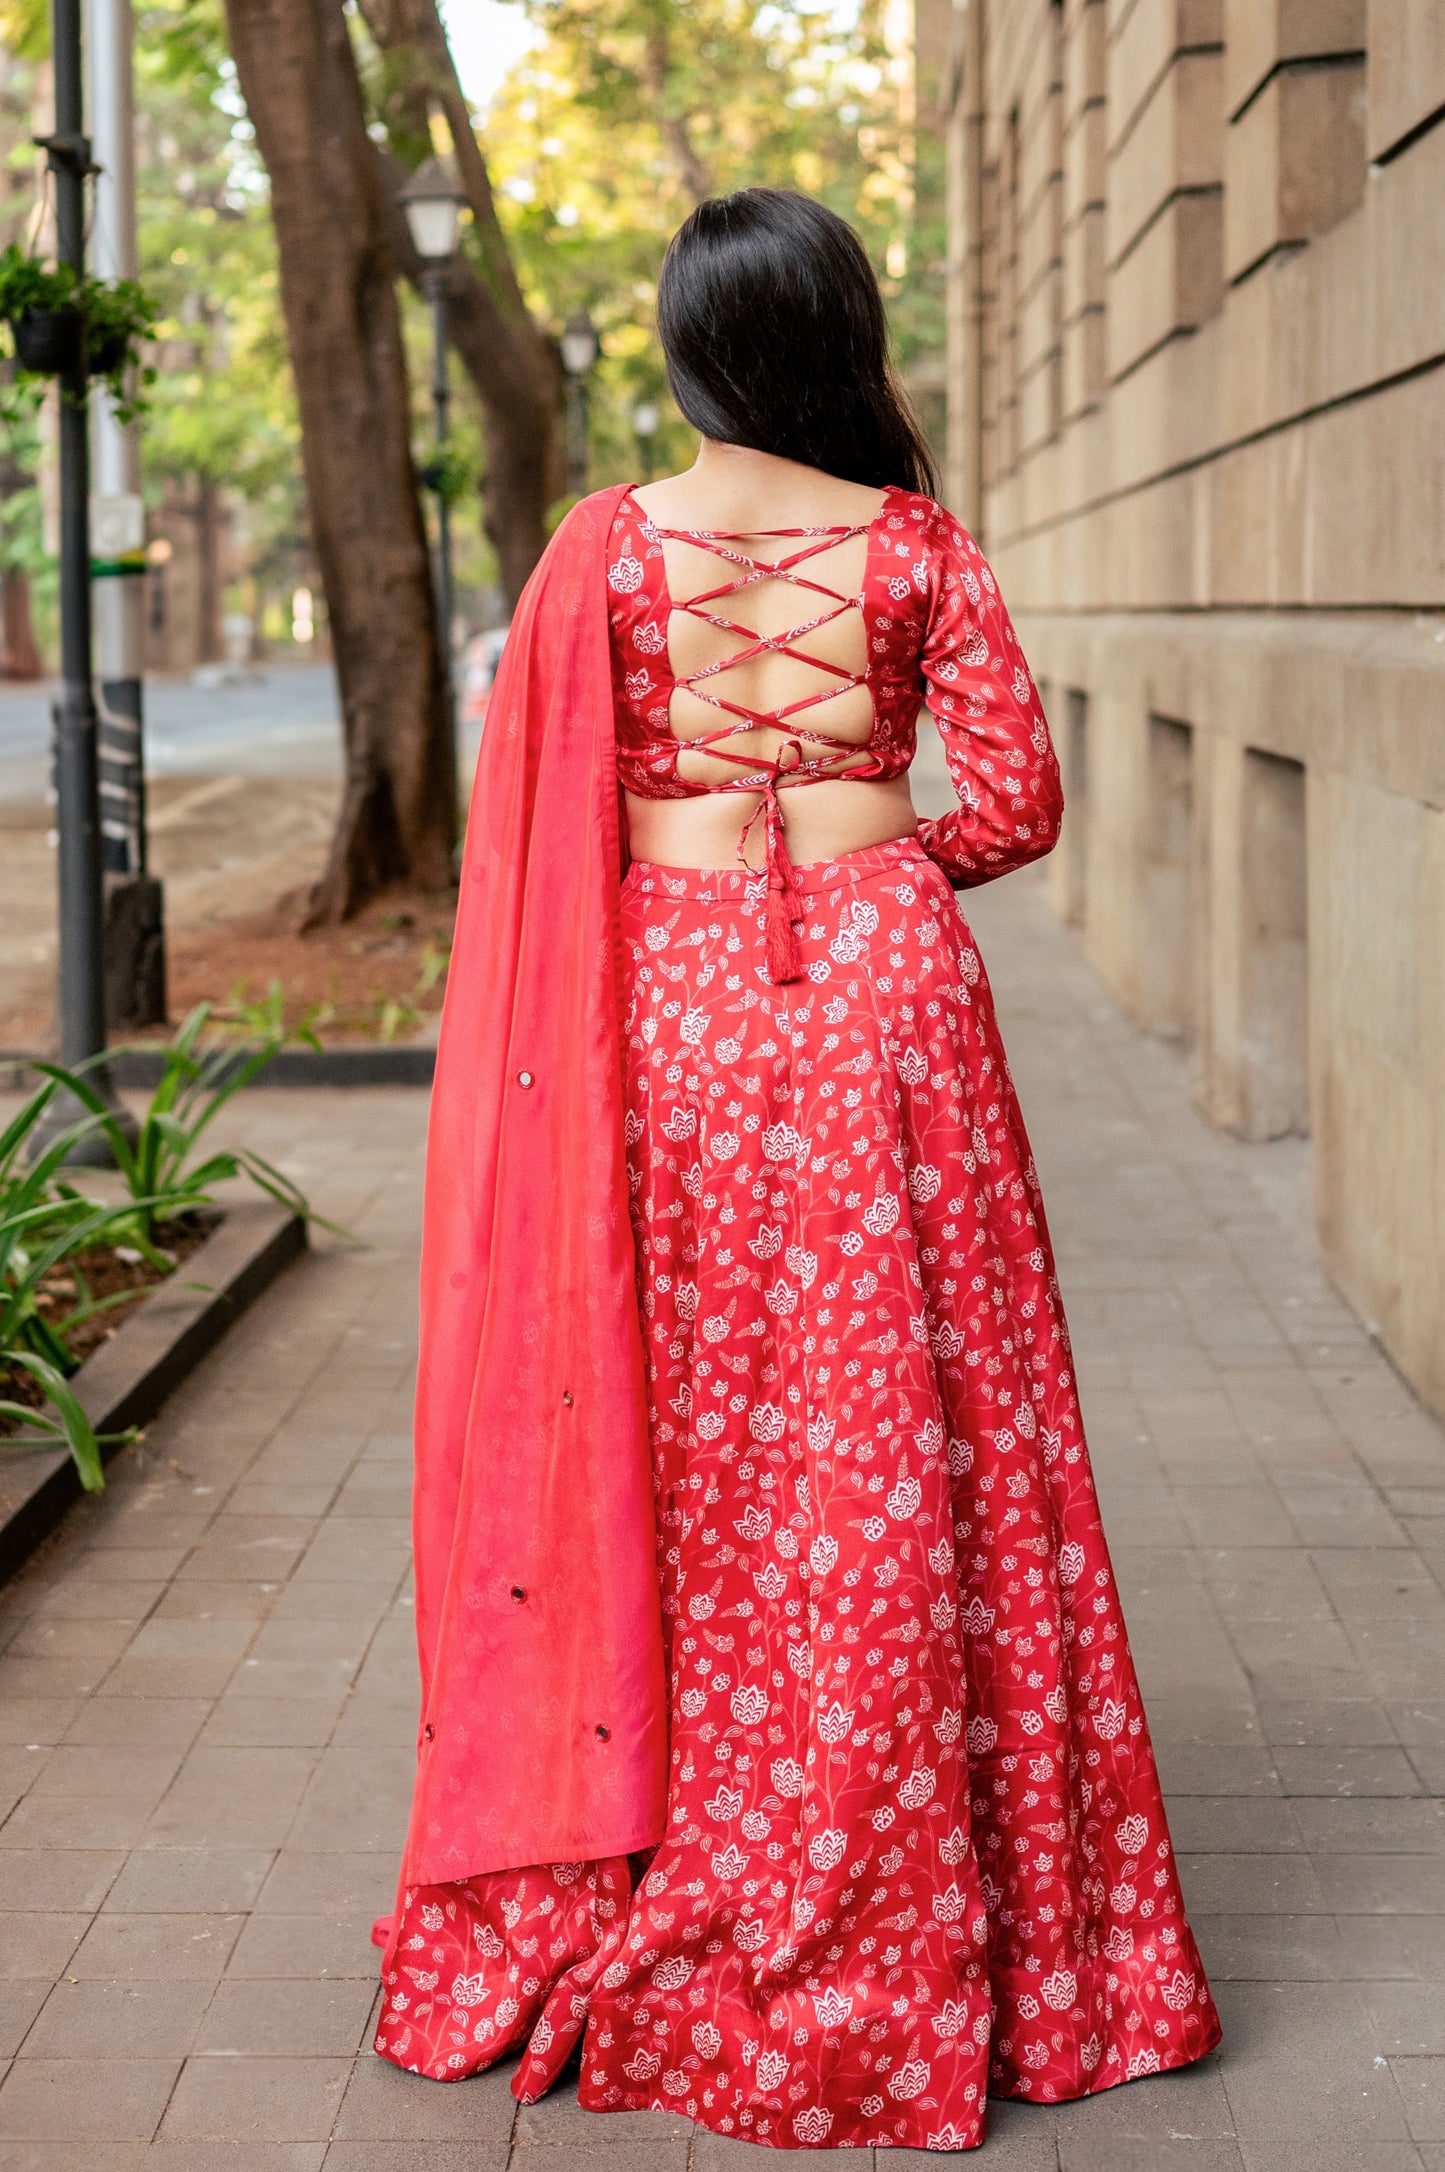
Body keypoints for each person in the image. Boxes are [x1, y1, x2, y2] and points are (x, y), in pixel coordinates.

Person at [372, 187, 1220, 2153]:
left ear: (687, 349)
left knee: (680, 1415)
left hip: (661, 1008)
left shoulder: (600, 557)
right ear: (833, 339)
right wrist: (871, 873)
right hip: (881, 999)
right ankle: (912, 1841)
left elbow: (533, 832)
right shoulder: (918, 546)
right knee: (909, 1413)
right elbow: (1013, 801)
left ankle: (667, 1824)